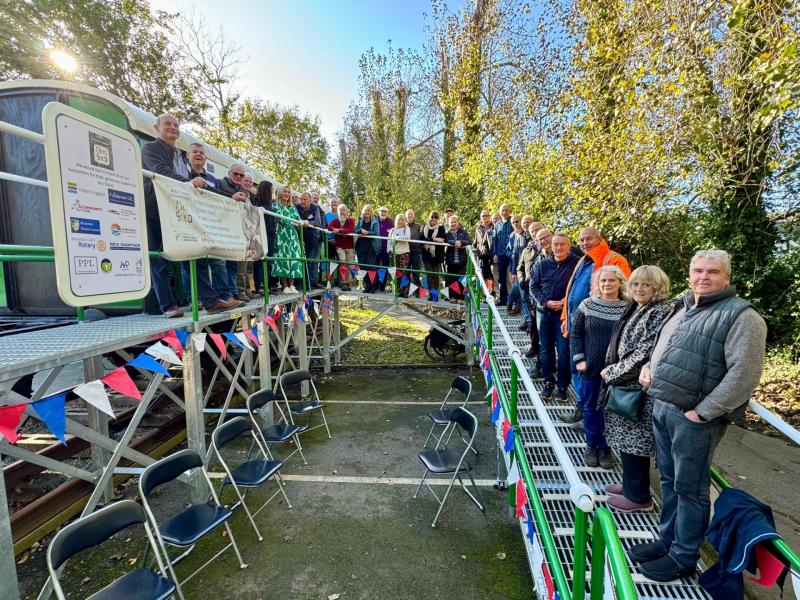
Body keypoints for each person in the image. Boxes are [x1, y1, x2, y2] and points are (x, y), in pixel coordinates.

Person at [629, 250, 767, 582]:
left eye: (713, 272)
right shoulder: (685, 306)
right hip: (663, 406)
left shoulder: (742, 316)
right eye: (698, 271)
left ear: (727, 277)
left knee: (691, 489)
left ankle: (684, 556)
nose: (703, 277)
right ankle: (668, 540)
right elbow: (662, 348)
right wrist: (649, 368)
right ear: (689, 275)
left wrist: (703, 413)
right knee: (668, 480)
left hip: (694, 418)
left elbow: (744, 375)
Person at [141, 115, 239, 317]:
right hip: (155, 208)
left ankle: (211, 301)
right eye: (167, 124)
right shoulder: (151, 149)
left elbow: (201, 185)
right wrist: (188, 184)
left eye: (176, 125)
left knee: (194, 254)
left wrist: (231, 198)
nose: (173, 127)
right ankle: (168, 306)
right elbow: (160, 172)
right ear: (156, 128)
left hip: (177, 210)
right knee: (158, 258)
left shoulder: (180, 155)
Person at [601, 265, 672, 512]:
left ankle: (638, 496)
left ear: (658, 288)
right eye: (635, 284)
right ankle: (630, 485)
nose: (639, 289)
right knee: (627, 440)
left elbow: (644, 352)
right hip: (626, 385)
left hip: (637, 388)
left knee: (635, 441)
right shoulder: (640, 307)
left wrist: (612, 372)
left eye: (646, 285)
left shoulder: (658, 311)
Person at [560, 227, 632, 425]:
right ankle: (583, 411)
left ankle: (594, 419)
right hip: (577, 325)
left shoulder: (614, 260)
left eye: (588, 239)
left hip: (598, 331)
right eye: (581, 240)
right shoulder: (584, 260)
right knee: (577, 369)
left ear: (600, 239)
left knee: (594, 378)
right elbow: (572, 290)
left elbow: (625, 295)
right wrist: (566, 316)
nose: (584, 243)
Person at [570, 266, 629, 469]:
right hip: (591, 369)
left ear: (620, 282)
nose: (607, 284)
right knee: (590, 408)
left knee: (609, 411)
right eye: (603, 281)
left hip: (617, 371)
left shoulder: (628, 308)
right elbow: (575, 333)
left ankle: (606, 448)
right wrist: (579, 359)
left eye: (611, 281)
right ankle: (591, 445)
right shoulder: (587, 305)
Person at [185, 143, 241, 306]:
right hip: (189, 222)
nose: (198, 155)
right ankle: (194, 299)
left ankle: (225, 295)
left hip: (210, 225)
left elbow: (218, 197)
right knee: (190, 261)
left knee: (218, 260)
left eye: (201, 153)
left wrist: (232, 199)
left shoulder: (212, 179)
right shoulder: (183, 173)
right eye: (194, 152)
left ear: (205, 158)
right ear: (188, 155)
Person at [530, 233, 579, 400]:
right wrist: (546, 302)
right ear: (551, 245)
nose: (558, 248)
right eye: (556, 244)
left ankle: (563, 386)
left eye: (562, 244)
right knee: (545, 350)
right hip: (544, 313)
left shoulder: (576, 264)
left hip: (564, 316)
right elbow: (533, 286)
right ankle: (548, 382)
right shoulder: (543, 264)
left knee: (564, 352)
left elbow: (582, 286)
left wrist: (567, 300)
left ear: (569, 245)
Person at [217, 164, 252, 302]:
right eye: (235, 174)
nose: (238, 177)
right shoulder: (220, 184)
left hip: (236, 231)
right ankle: (225, 294)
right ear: (229, 172)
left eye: (241, 175)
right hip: (222, 231)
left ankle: (234, 291)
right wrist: (232, 198)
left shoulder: (241, 189)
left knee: (233, 265)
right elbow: (216, 201)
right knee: (220, 265)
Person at [272, 185, 303, 293]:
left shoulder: (292, 207)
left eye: (288, 192)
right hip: (281, 235)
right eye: (284, 191)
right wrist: (293, 223)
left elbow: (299, 221)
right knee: (283, 258)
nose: (286, 194)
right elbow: (282, 219)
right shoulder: (275, 205)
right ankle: (285, 286)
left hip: (293, 236)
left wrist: (296, 223)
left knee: (294, 258)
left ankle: (292, 285)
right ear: (280, 192)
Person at [251, 180, 277, 296]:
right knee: (259, 261)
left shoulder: (270, 203)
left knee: (269, 261)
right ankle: (259, 286)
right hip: (260, 233)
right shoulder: (256, 201)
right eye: (271, 190)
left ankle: (267, 285)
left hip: (271, 233)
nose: (272, 192)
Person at [296, 191, 325, 290]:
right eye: (301, 199)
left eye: (305, 199)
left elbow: (318, 222)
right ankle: (303, 283)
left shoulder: (315, 208)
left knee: (312, 262)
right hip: (300, 238)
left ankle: (312, 282)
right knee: (303, 261)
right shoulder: (296, 208)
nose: (302, 201)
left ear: (310, 200)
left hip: (313, 238)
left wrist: (307, 222)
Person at [507, 215, 532, 317]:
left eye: (528, 222)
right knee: (518, 289)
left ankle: (526, 317)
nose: (526, 224)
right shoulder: (519, 237)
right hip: (520, 269)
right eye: (524, 223)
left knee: (524, 293)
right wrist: (513, 272)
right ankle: (513, 306)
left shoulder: (536, 237)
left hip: (532, 271)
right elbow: (515, 256)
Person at [444, 215, 471, 304]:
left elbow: (468, 241)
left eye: (455, 222)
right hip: (451, 260)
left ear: (458, 223)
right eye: (451, 222)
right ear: (448, 223)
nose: (453, 224)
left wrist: (461, 242)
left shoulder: (463, 232)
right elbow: (446, 240)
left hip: (461, 260)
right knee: (451, 279)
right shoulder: (447, 233)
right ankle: (453, 297)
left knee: (461, 279)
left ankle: (461, 298)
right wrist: (455, 242)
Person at [328, 204, 355, 291]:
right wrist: (333, 229)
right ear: (338, 212)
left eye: (344, 210)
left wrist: (339, 230)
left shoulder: (350, 220)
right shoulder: (335, 220)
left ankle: (348, 282)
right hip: (340, 246)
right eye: (341, 210)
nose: (342, 212)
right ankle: (343, 282)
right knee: (343, 262)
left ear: (347, 212)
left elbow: (350, 229)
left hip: (350, 246)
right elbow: (329, 227)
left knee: (350, 264)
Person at [356, 205, 381, 293]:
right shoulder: (360, 220)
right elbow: (355, 230)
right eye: (365, 210)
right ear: (363, 212)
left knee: (370, 267)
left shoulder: (375, 222)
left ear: (371, 212)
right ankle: (367, 285)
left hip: (371, 247)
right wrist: (360, 231)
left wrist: (367, 232)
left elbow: (376, 233)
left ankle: (373, 286)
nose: (367, 212)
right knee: (363, 267)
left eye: (368, 210)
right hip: (361, 246)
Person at [421, 211, 447, 297]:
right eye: (432, 217)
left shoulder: (441, 228)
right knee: (429, 274)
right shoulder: (424, 227)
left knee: (436, 275)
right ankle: (430, 295)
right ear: (429, 217)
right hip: (426, 254)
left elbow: (443, 239)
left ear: (438, 218)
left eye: (436, 217)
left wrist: (430, 239)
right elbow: (422, 238)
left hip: (437, 255)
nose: (434, 219)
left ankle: (435, 295)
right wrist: (435, 239)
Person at [493, 204, 514, 305]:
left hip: (511, 254)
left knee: (511, 278)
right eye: (502, 210)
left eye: (506, 210)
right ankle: (503, 299)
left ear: (509, 211)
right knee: (501, 277)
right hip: (500, 254)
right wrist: (495, 254)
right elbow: (495, 240)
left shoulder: (513, 222)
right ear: (500, 212)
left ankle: (513, 299)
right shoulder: (497, 224)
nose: (504, 212)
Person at [389, 213, 412, 297]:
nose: (400, 221)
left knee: (404, 273)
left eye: (402, 219)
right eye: (399, 219)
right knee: (396, 273)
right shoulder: (392, 230)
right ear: (396, 221)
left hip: (404, 253)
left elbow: (407, 237)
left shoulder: (407, 228)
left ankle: (405, 292)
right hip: (394, 253)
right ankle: (398, 290)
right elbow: (389, 241)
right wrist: (389, 251)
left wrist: (398, 238)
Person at [474, 210, 495, 293]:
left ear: (489, 216)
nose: (484, 217)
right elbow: (476, 241)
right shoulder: (478, 228)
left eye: (486, 215)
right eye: (483, 216)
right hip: (482, 254)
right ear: (480, 217)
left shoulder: (493, 226)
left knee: (492, 274)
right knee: (484, 274)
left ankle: (493, 292)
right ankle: (487, 292)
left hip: (491, 253)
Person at [377, 206, 394, 290]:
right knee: (375, 267)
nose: (383, 213)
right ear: (378, 212)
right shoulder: (374, 220)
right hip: (376, 249)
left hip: (386, 250)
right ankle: (375, 285)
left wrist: (390, 249)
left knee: (385, 268)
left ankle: (382, 286)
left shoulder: (391, 222)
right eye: (382, 211)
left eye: (385, 211)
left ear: (387, 213)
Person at [406, 209, 423, 292]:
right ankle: (407, 290)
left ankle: (418, 292)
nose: (410, 216)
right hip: (405, 252)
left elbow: (422, 237)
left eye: (412, 214)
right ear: (406, 216)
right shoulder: (403, 225)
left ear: (414, 216)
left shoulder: (418, 226)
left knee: (416, 273)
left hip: (416, 252)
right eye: (408, 214)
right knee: (406, 273)